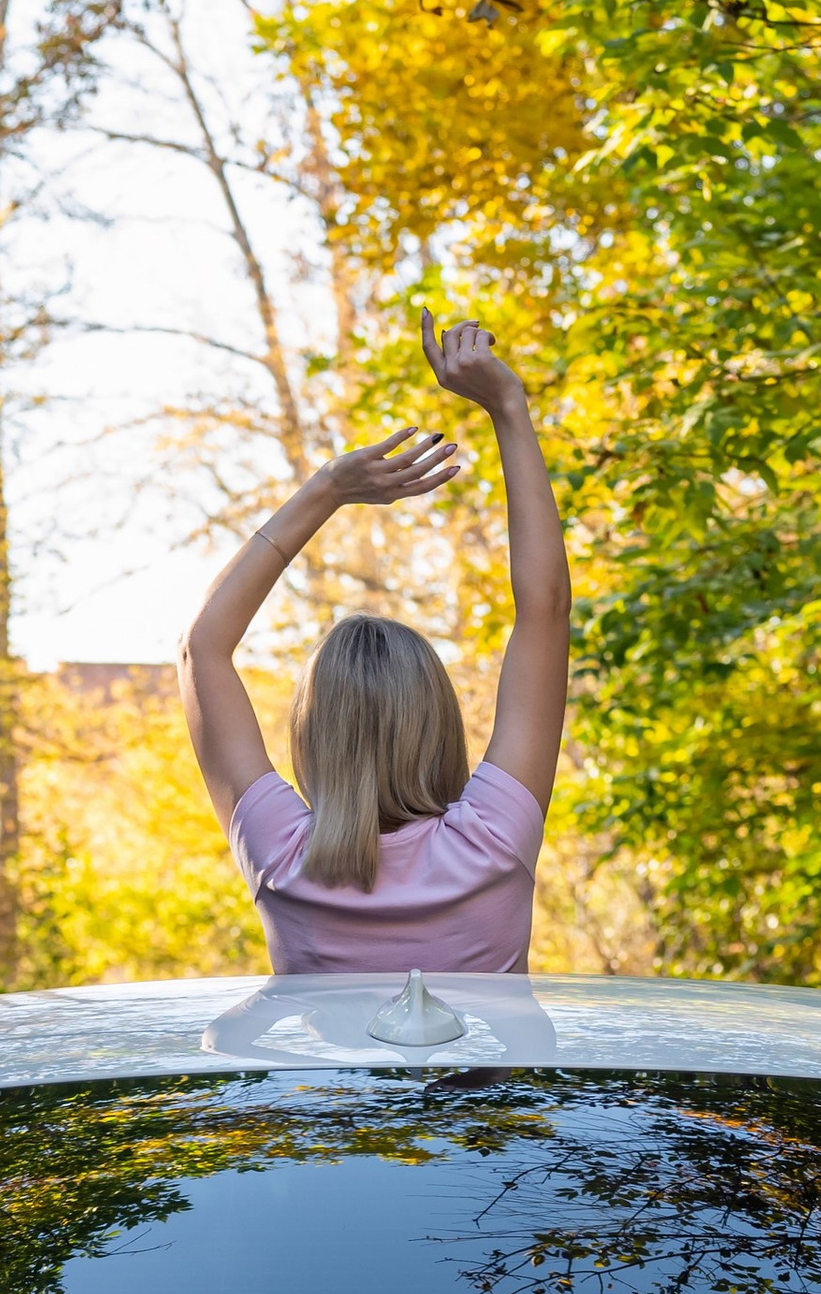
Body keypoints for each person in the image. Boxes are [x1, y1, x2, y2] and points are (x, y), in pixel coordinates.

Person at [177, 314, 570, 978]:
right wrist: (507, 407)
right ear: (438, 725)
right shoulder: (492, 840)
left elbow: (202, 648)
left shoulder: (283, 857)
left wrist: (328, 489)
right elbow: (546, 611)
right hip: (491, 1092)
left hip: (334, 1092)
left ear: (314, 738)